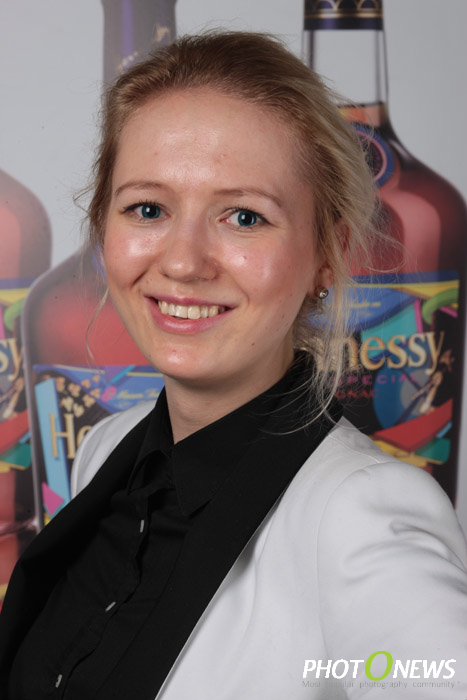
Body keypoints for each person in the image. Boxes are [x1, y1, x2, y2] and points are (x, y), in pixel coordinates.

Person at [1, 31, 466, 700]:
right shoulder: (107, 449)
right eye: (148, 209)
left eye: (244, 217)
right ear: (104, 224)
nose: (183, 261)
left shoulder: (358, 513)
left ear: (327, 256)